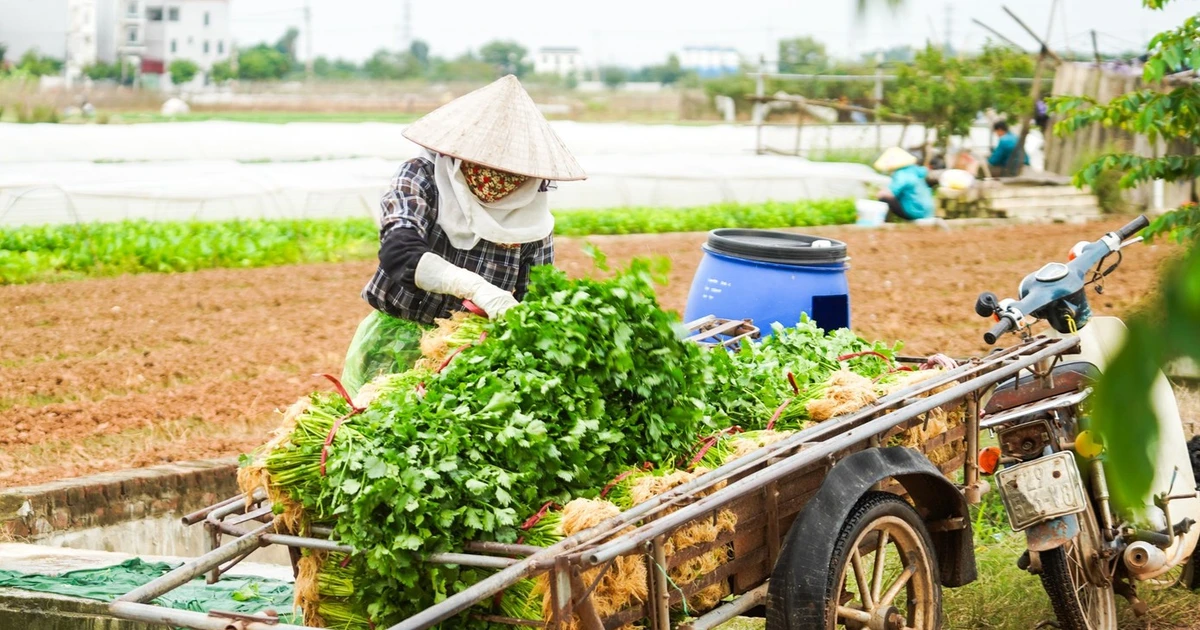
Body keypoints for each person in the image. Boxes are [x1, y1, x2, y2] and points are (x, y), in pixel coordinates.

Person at [341, 75, 587, 395]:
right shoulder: (423, 177)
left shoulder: (531, 215)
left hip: (469, 362)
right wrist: (476, 287)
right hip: (394, 342)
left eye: (511, 174)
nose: (497, 182)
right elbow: (398, 252)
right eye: (486, 166)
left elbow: (535, 301)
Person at [872, 147, 935, 221]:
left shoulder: (901, 174)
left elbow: (892, 192)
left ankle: (884, 221)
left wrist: (880, 192)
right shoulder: (914, 169)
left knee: (884, 197)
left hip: (916, 211)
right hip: (928, 211)